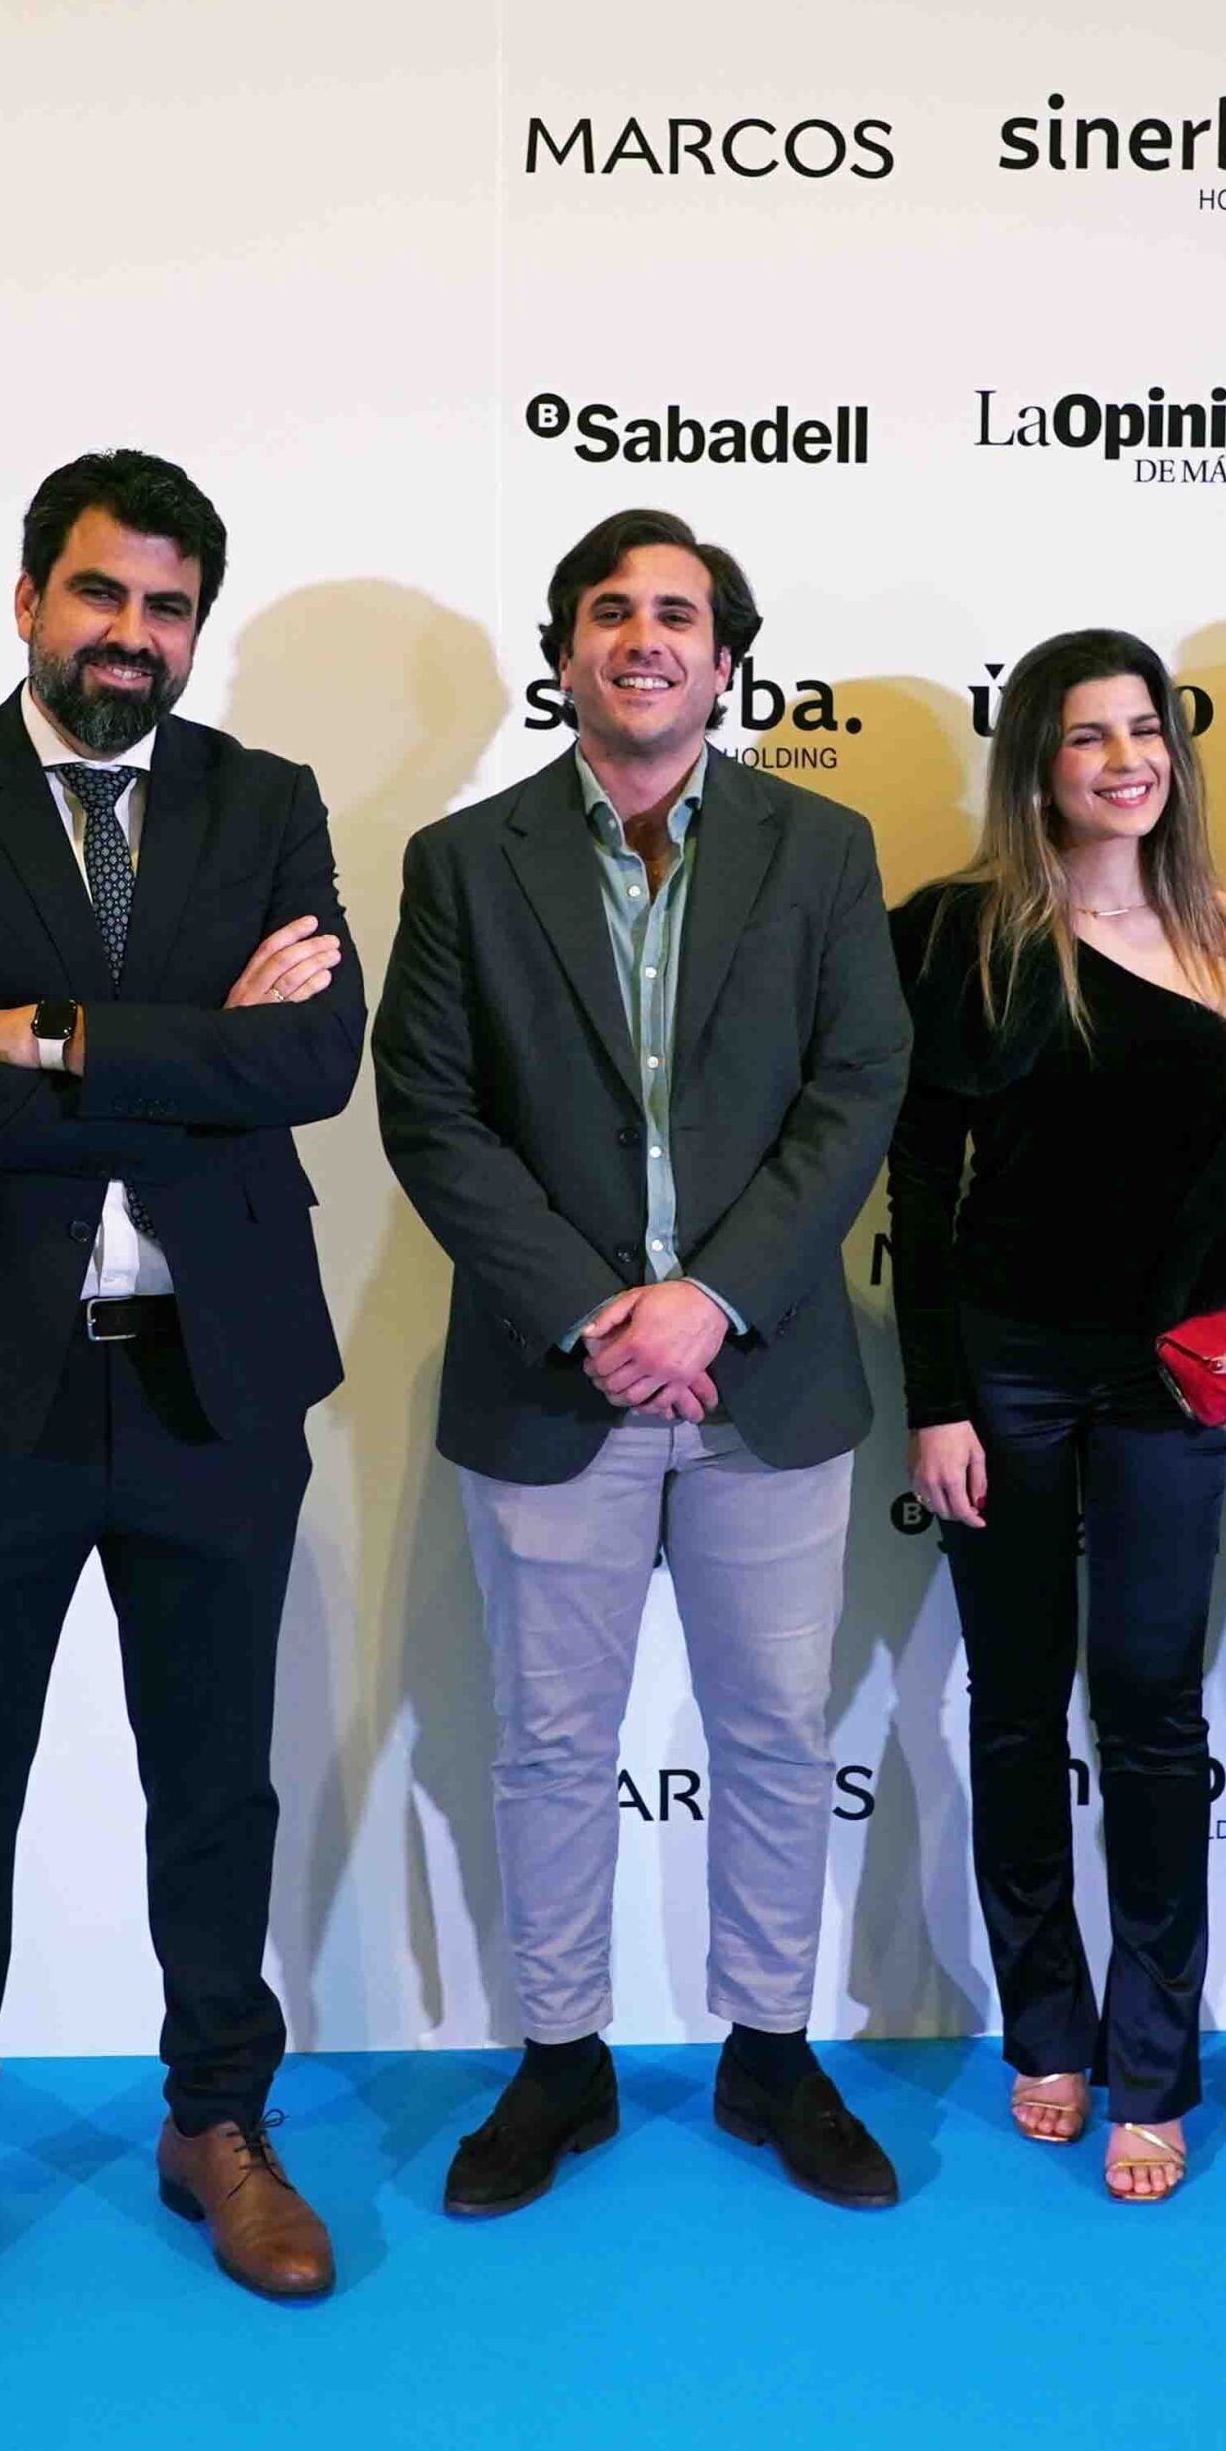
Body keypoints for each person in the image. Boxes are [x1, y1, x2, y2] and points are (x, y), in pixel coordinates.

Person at [0, 449, 366, 2329]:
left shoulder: (268, 802)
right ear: (30, 599)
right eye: (100, 597)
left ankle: (217, 2123)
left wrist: (48, 1032)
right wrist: (193, 1038)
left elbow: (311, 1068)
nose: (131, 637)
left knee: (213, 1779)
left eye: (166, 608)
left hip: (215, 1379)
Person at [377, 510, 913, 2216]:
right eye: (610, 612)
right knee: (548, 1740)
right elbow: (432, 1113)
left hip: (765, 1377)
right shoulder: (464, 863)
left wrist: (714, 1299)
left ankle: (770, 2050)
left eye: (676, 614)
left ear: (724, 660)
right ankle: (559, 2064)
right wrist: (605, 1312)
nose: (643, 638)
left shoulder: (819, 848)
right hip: (558, 1383)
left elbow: (857, 1088)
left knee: (771, 1729)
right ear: (565, 658)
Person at [889, 629, 1226, 2205]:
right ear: (1035, 765)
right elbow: (921, 1188)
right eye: (1087, 737)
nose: (1126, 760)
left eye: (1146, 731)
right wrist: (934, 1401)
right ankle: (1042, 2033)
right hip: (1000, 1364)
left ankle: (1157, 2066)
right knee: (1015, 1707)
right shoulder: (958, 935)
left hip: (1163, 1375)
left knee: (1150, 1711)